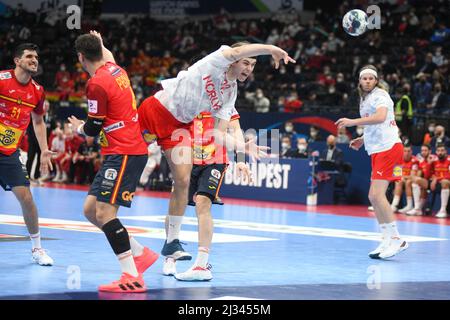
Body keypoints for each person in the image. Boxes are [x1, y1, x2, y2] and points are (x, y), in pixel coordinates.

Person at [137, 42, 294, 263]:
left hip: (180, 126)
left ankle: (171, 242)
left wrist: (242, 148)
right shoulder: (216, 61)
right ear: (234, 61)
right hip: (156, 110)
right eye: (246, 62)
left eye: (253, 65)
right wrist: (270, 49)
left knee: (182, 180)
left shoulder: (230, 93)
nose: (249, 68)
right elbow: (237, 50)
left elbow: (217, 133)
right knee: (127, 158)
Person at [68, 31, 158, 293]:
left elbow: (94, 128)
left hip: (125, 152)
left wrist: (78, 128)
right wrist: (102, 42)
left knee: (105, 214)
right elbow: (106, 56)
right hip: (120, 151)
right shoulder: (116, 70)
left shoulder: (96, 83)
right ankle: (140, 253)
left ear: (81, 57)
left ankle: (132, 276)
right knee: (90, 210)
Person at [336, 64, 408, 259]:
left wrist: (352, 122)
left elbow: (381, 117)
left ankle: (396, 239)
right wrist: (363, 138)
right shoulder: (364, 99)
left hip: (389, 148)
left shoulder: (380, 96)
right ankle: (386, 238)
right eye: (364, 78)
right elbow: (376, 123)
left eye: (371, 78)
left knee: (376, 195)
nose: (367, 81)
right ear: (359, 81)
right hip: (377, 149)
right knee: (374, 196)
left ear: (376, 81)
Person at [167, 111, 247, 281]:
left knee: (203, 204)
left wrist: (241, 159)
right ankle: (170, 254)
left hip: (215, 160)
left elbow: (236, 130)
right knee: (175, 205)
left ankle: (201, 265)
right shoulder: (189, 98)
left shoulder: (224, 99)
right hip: (187, 158)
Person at [0, 43, 54, 266]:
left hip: (9, 153)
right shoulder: (2, 80)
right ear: (17, 61)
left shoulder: (38, 91)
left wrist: (44, 150)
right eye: (29, 56)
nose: (34, 60)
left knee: (27, 199)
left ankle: (37, 248)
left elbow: (38, 121)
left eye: (36, 57)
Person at [407, 144, 435, 216]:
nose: (423, 152)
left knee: (416, 181)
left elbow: (431, 175)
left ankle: (417, 209)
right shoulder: (422, 162)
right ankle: (418, 209)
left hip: (434, 182)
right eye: (422, 150)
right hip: (426, 181)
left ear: (430, 151)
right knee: (414, 181)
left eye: (425, 150)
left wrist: (429, 163)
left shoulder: (434, 159)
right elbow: (424, 175)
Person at [390, 145, 418, 214]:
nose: (407, 153)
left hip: (410, 181)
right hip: (401, 181)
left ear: (411, 152)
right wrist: (402, 177)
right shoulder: (398, 159)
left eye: (409, 151)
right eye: (405, 151)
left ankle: (409, 205)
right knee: (398, 181)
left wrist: (403, 177)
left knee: (407, 181)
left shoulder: (415, 161)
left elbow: (412, 176)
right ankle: (394, 205)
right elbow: (396, 175)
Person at [430, 144, 450, 218]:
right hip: (437, 184)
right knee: (419, 182)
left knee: (445, 182)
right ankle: (417, 208)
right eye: (438, 150)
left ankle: (443, 210)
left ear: (446, 151)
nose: (440, 152)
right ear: (436, 152)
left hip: (447, 183)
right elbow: (428, 175)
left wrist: (437, 179)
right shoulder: (434, 161)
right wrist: (429, 163)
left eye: (442, 150)